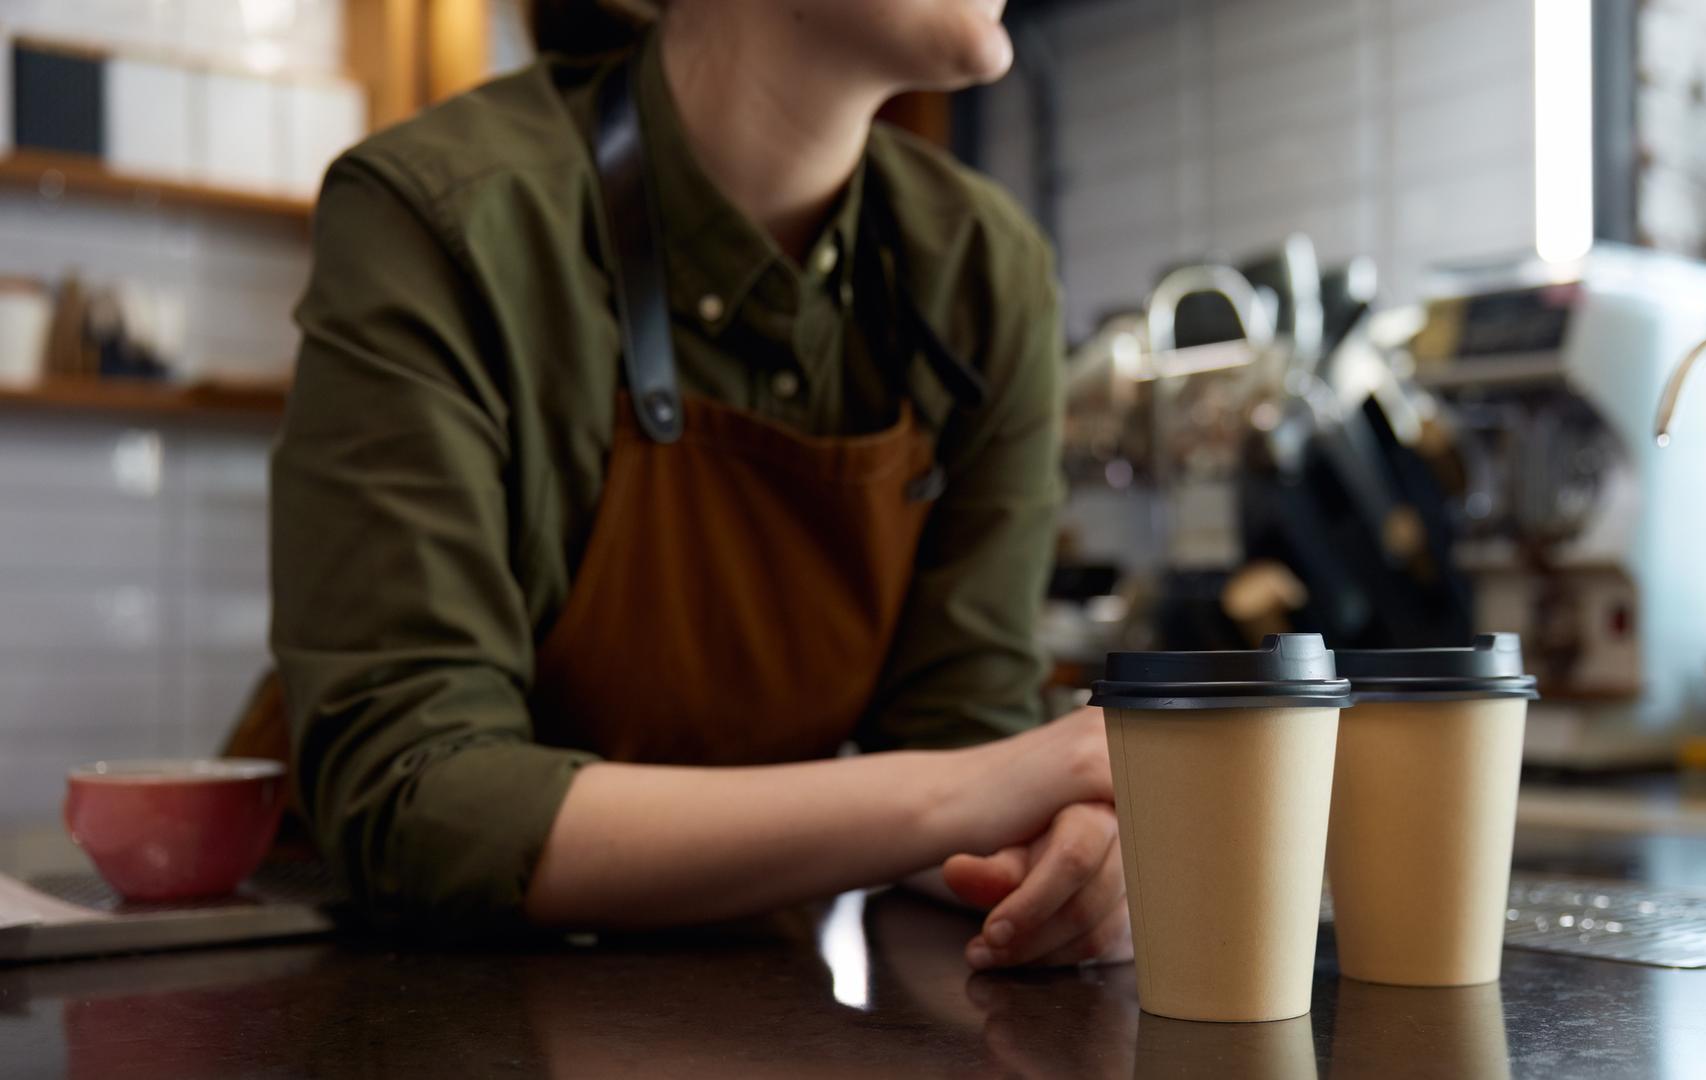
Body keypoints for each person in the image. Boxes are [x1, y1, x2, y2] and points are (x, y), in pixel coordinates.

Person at [270, 0, 1129, 971]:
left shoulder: (984, 273)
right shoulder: (441, 214)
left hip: (756, 1002)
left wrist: (1058, 857)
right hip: (401, 991)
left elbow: (965, 741)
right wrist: (963, 795)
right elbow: (413, 797)